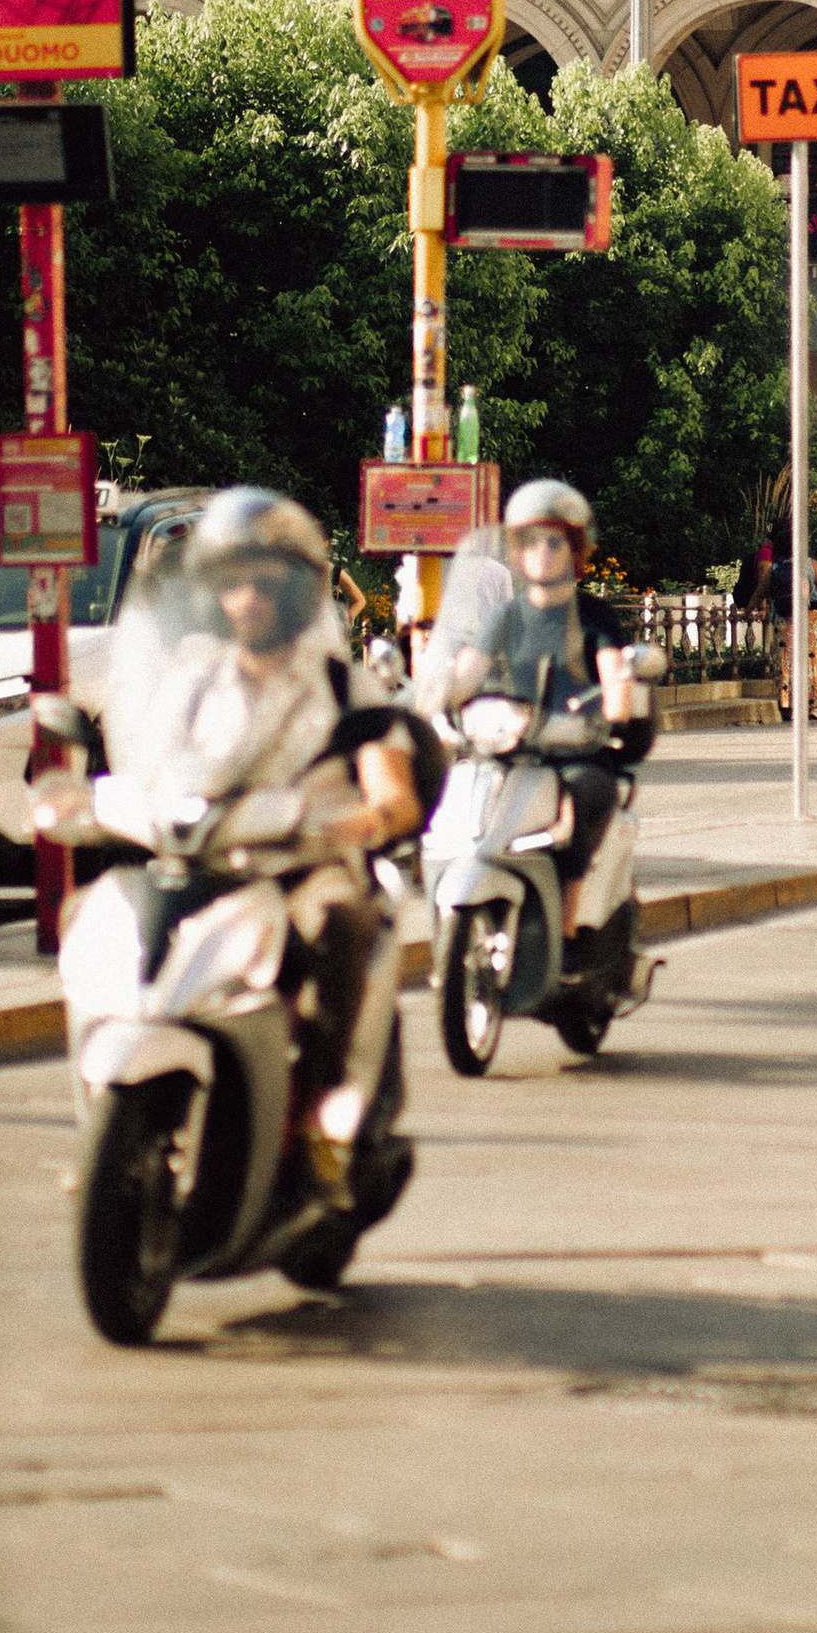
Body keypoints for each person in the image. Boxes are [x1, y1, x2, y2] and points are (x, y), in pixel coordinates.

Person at [120, 488, 422, 1204]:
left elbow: (395, 791)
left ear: (300, 591)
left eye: (266, 582)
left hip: (306, 866)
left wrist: (365, 821)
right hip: (205, 862)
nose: (248, 597)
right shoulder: (192, 683)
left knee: (345, 928)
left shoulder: (345, 688)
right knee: (105, 925)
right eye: (234, 581)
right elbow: (147, 761)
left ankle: (323, 1113)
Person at [420, 480, 657, 928]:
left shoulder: (594, 616)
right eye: (530, 542)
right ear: (517, 550)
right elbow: (467, 672)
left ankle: (568, 924)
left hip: (575, 750)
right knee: (457, 798)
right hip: (510, 749)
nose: (542, 552)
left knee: (587, 795)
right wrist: (432, 694)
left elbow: (614, 675)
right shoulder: (505, 616)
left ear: (576, 550)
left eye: (554, 542)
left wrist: (615, 704)